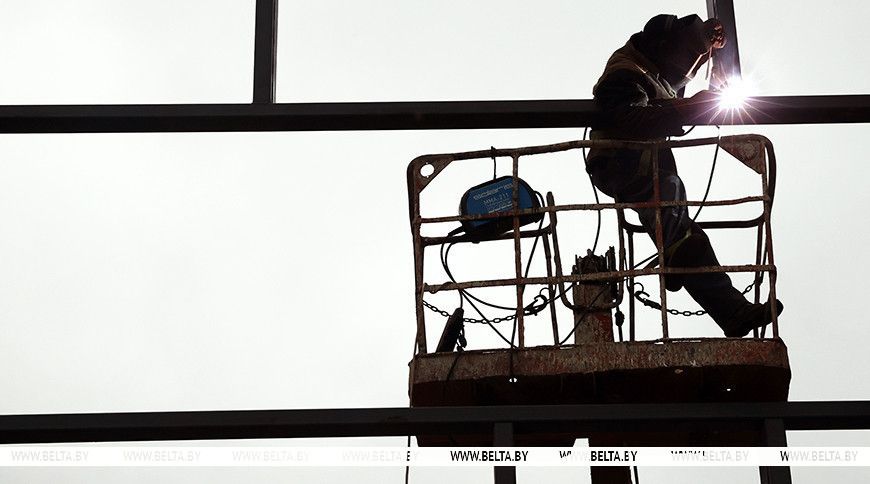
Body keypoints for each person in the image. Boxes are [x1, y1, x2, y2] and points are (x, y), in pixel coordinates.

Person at [586, 13, 782, 337]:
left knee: (687, 240)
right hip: (618, 164)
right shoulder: (625, 73)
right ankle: (676, 259)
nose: (684, 73)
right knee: (671, 199)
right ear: (661, 49)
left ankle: (733, 312)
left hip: (643, 165)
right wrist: (687, 108)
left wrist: (707, 41)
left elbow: (678, 77)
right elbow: (630, 119)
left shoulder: (653, 69)